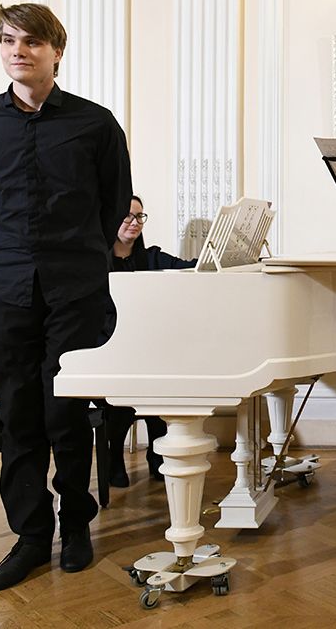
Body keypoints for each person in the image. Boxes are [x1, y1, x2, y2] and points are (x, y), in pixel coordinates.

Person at [0, 3, 132, 591]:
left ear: (57, 51)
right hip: (5, 282)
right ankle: (31, 536)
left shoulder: (96, 123)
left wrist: (79, 255)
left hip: (75, 287)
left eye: (32, 42)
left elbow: (114, 203)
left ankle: (76, 524)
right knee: (19, 413)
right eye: (9, 40)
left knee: (66, 412)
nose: (18, 51)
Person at [105, 195, 196, 486]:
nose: (134, 223)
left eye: (139, 217)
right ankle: (113, 458)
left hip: (143, 351)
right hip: (108, 349)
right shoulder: (96, 261)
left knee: (158, 385)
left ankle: (156, 457)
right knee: (122, 392)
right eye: (128, 216)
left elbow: (192, 267)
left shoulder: (151, 257)